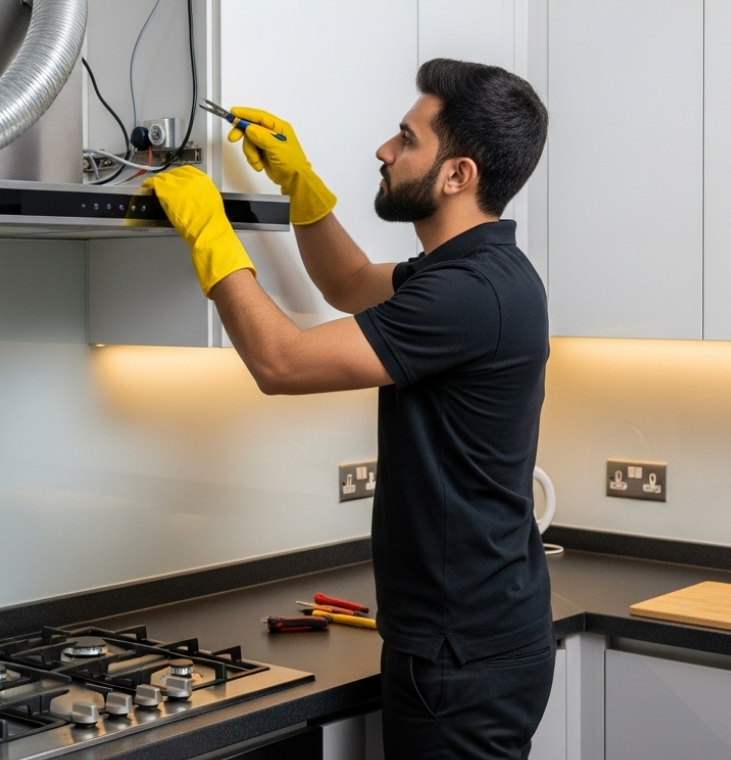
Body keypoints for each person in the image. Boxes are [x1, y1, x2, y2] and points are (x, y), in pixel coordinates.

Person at [144, 58, 553, 759]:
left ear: (458, 175)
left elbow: (281, 363)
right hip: (478, 638)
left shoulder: (468, 294)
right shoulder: (477, 272)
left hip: (460, 656)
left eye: (406, 138)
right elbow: (351, 282)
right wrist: (299, 183)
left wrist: (212, 235)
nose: (383, 150)